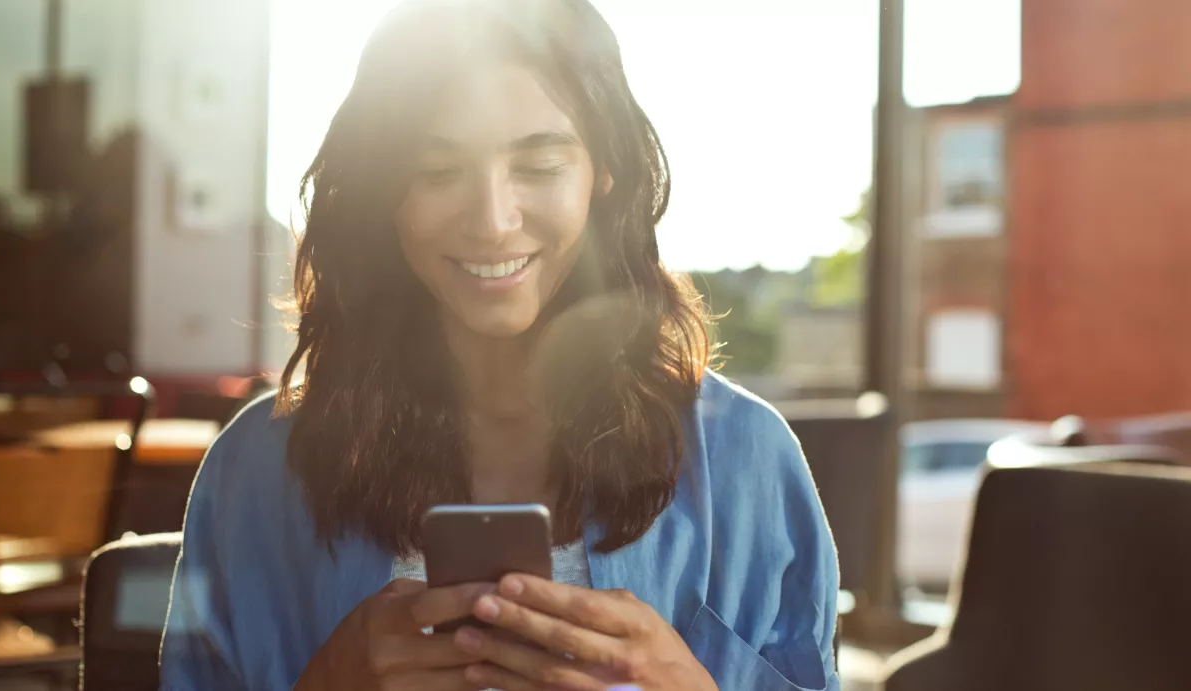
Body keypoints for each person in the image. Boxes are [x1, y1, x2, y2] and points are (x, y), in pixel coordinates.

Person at [160, 0, 840, 689]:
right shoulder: (256, 471)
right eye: (436, 172)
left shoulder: (744, 462)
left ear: (602, 171)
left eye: (540, 166)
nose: (492, 221)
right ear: (382, 190)